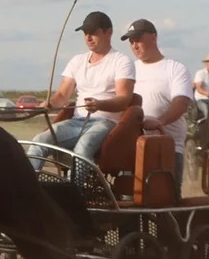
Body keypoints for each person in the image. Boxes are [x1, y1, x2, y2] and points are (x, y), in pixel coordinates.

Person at [26, 11, 136, 176]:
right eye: (85, 33)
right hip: (76, 122)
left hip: (107, 123)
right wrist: (49, 104)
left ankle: (73, 194)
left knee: (83, 147)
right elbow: (63, 95)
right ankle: (28, 187)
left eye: (93, 33)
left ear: (109, 33)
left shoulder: (121, 61)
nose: (88, 37)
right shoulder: (77, 61)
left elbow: (124, 100)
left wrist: (99, 104)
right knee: (39, 141)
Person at [122, 18, 195, 197]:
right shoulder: (128, 70)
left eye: (138, 39)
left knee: (164, 201)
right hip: (133, 148)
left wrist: (159, 121)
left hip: (166, 148)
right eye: (131, 41)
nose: (134, 45)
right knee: (128, 200)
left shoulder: (175, 69)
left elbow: (181, 103)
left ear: (153, 37)